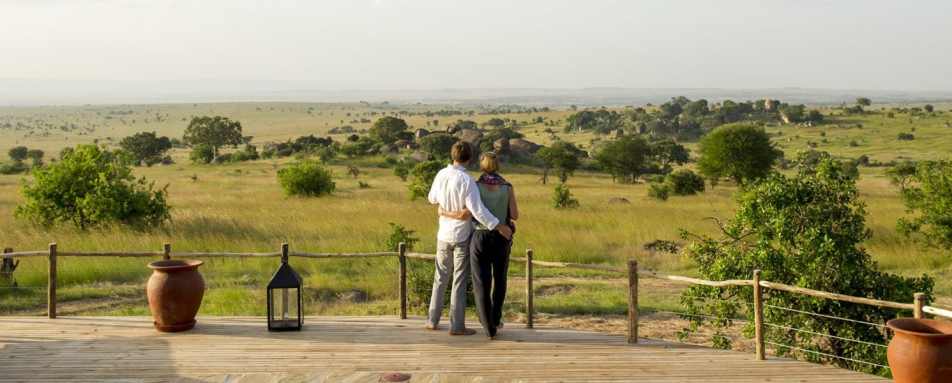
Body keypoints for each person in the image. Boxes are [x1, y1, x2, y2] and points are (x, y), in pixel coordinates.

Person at [426, 142, 512, 336]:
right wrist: (498, 226)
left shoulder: (441, 174)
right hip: (462, 235)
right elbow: (477, 210)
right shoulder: (467, 180)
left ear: (452, 155)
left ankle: (432, 320)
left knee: (440, 277)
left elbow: (432, 198)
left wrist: (445, 211)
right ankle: (457, 326)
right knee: (459, 280)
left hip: (443, 234)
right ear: (469, 158)